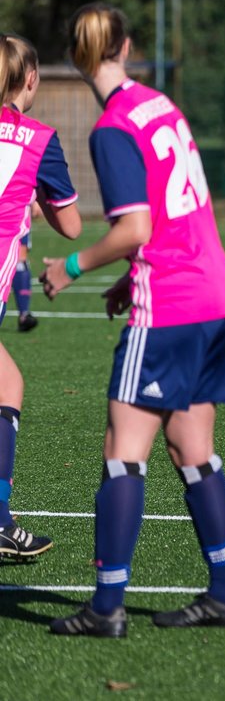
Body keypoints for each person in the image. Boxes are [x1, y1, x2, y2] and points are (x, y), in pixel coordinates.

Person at [44, 3, 225, 637]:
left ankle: (105, 608)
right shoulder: (161, 106)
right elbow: (176, 217)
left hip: (173, 310)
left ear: (76, 57)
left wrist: (71, 266)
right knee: (195, 451)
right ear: (126, 46)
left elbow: (137, 227)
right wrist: (127, 280)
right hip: (219, 299)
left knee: (122, 454)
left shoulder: (111, 129)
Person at [0, 33, 82, 558]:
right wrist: (40, 196)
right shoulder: (37, 139)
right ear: (32, 80)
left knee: (7, 380)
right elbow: (72, 225)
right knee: (7, 385)